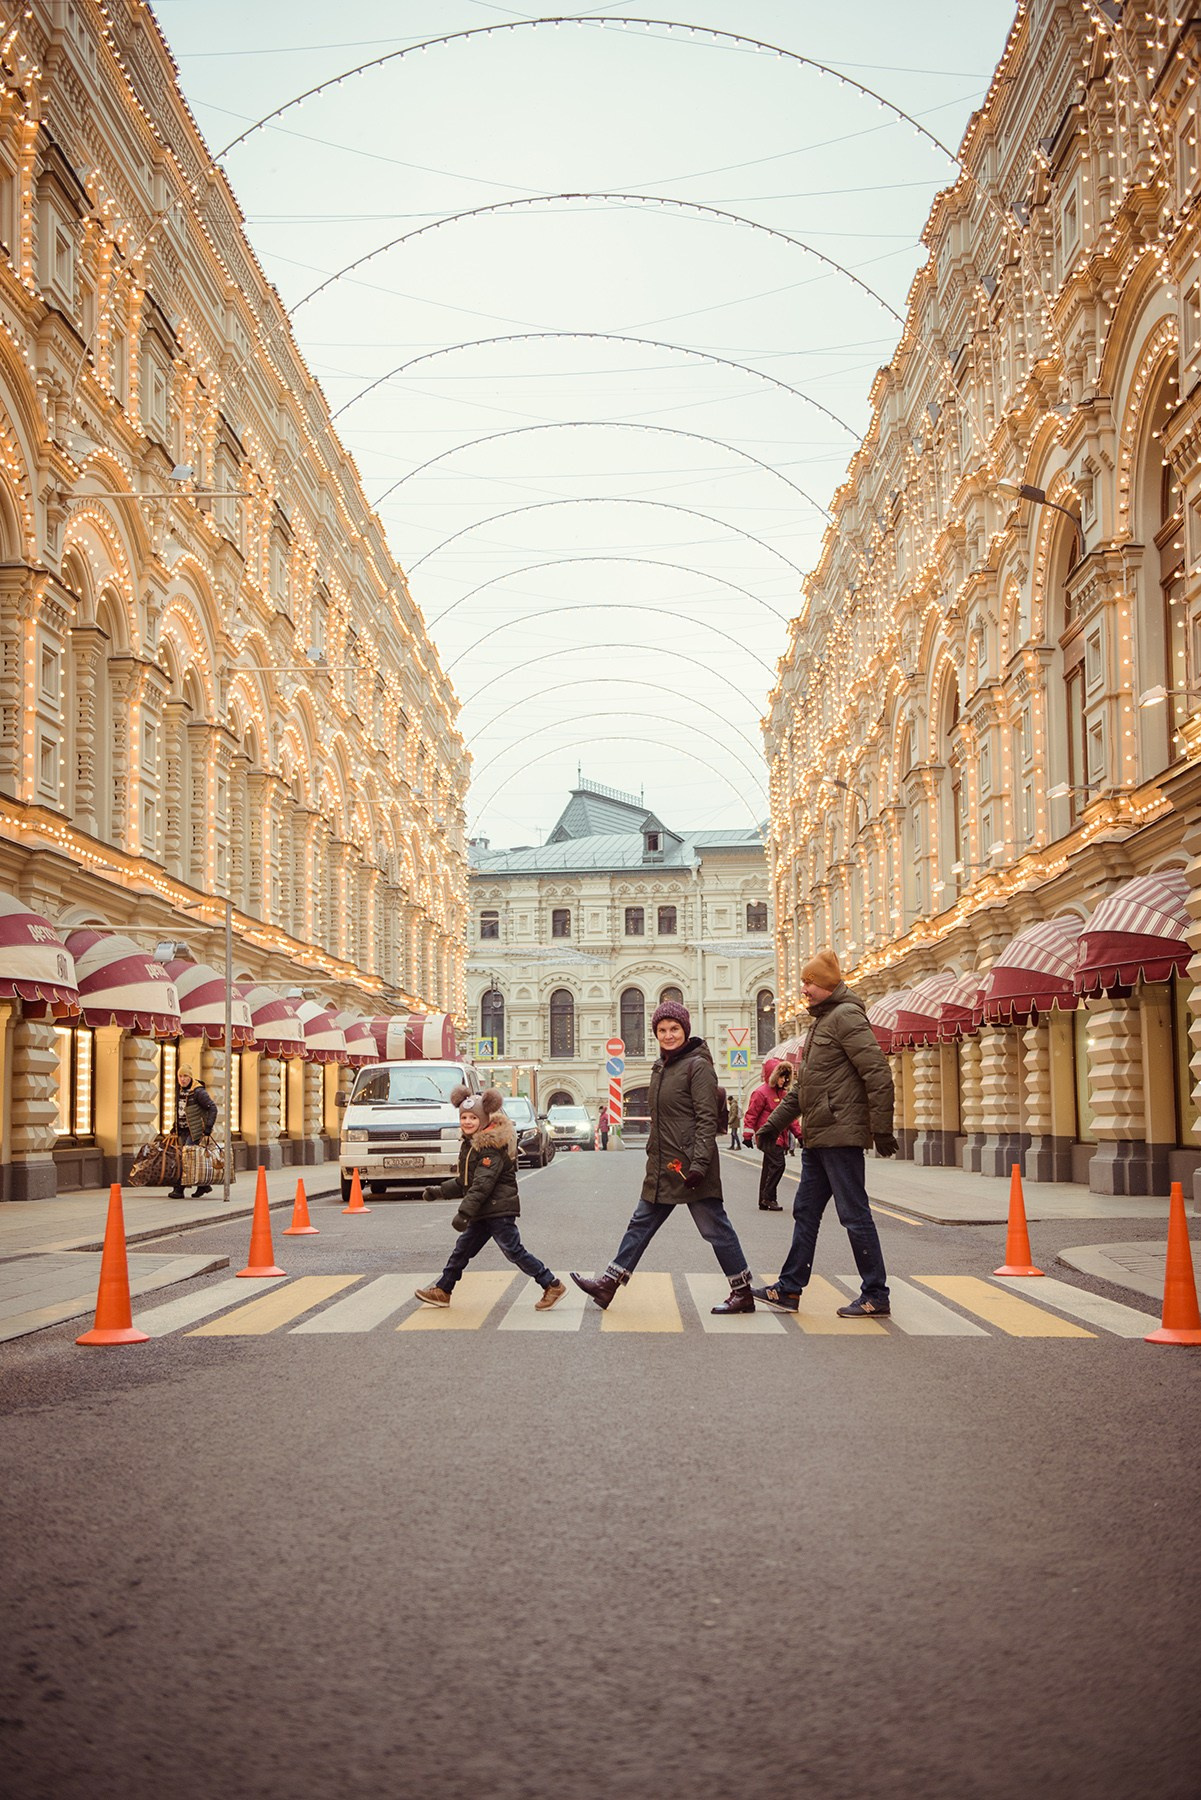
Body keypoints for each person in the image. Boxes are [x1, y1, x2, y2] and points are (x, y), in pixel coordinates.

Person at [571, 1000, 756, 1315]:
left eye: (674, 1029)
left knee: (714, 1228)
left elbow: (706, 1119)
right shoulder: (661, 1067)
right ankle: (608, 1284)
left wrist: (699, 1164)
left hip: (690, 1167)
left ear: (685, 1030)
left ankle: (743, 1293)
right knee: (640, 1223)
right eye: (662, 1030)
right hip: (664, 1164)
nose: (668, 1035)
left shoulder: (698, 1066)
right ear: (655, 1033)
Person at [751, 950, 897, 1317]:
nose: (804, 989)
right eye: (803, 982)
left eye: (810, 983)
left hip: (840, 1136)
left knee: (854, 1214)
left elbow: (877, 1073)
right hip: (818, 1137)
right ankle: (789, 1290)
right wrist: (772, 1126)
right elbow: (803, 1090)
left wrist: (881, 1129)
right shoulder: (822, 1021)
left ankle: (876, 1294)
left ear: (828, 985)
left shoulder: (846, 1016)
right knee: (805, 1211)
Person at [415, 1086, 565, 1310]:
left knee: (513, 1251)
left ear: (484, 1119)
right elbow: (465, 1182)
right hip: (483, 1211)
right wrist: (438, 1191)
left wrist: (463, 1213)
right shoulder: (471, 1144)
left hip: (498, 1210)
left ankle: (552, 1284)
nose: (467, 1122)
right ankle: (443, 1290)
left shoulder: (489, 1148)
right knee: (462, 1250)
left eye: (473, 1118)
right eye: (464, 1117)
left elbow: (482, 1185)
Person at [743, 1060, 802, 1210]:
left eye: (786, 1077)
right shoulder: (760, 1093)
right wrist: (747, 1136)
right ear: (774, 1076)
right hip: (768, 1136)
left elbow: (790, 1118)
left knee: (769, 1167)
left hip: (779, 1137)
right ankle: (769, 1197)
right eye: (781, 1076)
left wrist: (800, 1135)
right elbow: (751, 1115)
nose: (784, 1080)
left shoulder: (783, 1094)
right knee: (778, 1165)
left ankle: (764, 1200)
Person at [168, 1065, 217, 1200]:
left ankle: (179, 1190)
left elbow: (213, 1108)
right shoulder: (179, 1090)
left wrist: (208, 1128)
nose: (182, 1079)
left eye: (185, 1076)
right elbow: (180, 1111)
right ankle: (203, 1186)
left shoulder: (198, 1092)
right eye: (180, 1076)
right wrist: (174, 1126)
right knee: (191, 1159)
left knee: (186, 1158)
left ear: (190, 1077)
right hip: (182, 1131)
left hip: (195, 1131)